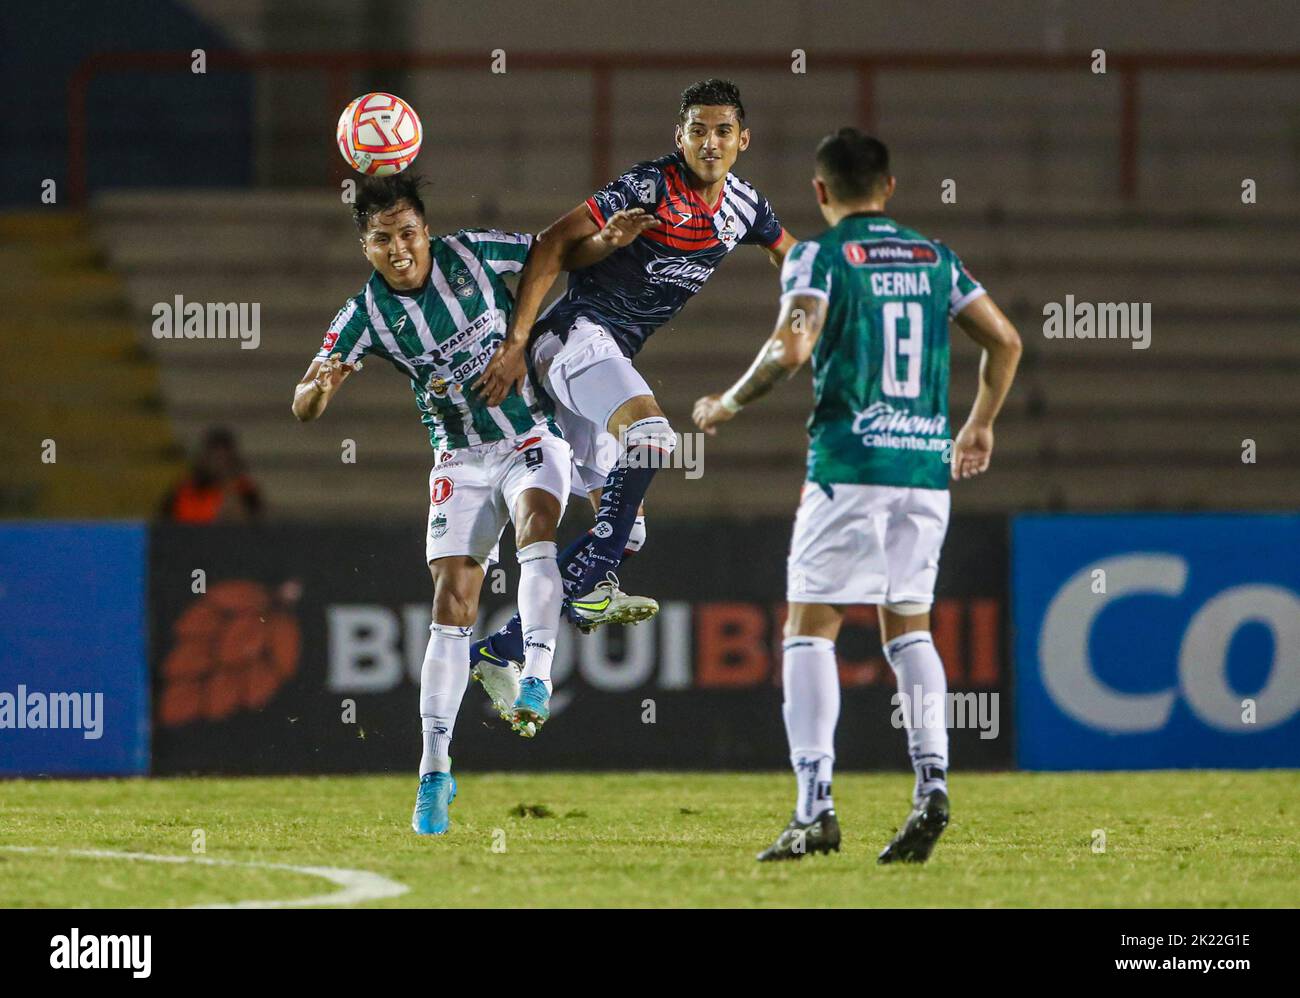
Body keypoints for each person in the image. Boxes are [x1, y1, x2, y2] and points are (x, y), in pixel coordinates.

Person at [693, 128, 1023, 863]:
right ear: (890, 189)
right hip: (924, 470)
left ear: (820, 192)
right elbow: (1004, 341)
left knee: (810, 630)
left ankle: (815, 806)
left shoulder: (820, 254)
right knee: (910, 630)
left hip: (849, 464)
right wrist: (979, 428)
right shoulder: (936, 258)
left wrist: (728, 404)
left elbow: (792, 346)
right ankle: (932, 784)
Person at [470, 78, 798, 692]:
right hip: (573, 337)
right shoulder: (650, 185)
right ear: (679, 136)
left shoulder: (746, 206)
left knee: (628, 529)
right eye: (697, 129)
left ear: (743, 140)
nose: (709, 141)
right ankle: (592, 579)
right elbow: (550, 244)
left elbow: (791, 254)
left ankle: (499, 649)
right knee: (650, 434)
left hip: (602, 360)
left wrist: (819, 293)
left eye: (723, 130)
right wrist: (515, 344)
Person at [291, 173, 573, 835]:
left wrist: (604, 246)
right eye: (384, 239)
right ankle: (435, 774)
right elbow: (305, 399)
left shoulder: (473, 254)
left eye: (409, 233)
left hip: (530, 433)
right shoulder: (364, 313)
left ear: (427, 231)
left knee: (539, 526)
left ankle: (536, 674)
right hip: (459, 459)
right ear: (366, 247)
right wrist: (318, 387)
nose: (400, 248)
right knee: (452, 605)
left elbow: (547, 255)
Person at [159, 426, 263, 523]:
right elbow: (165, 526)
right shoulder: (183, 491)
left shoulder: (245, 491)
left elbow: (256, 525)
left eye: (224, 459)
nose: (219, 464)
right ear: (203, 459)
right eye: (214, 457)